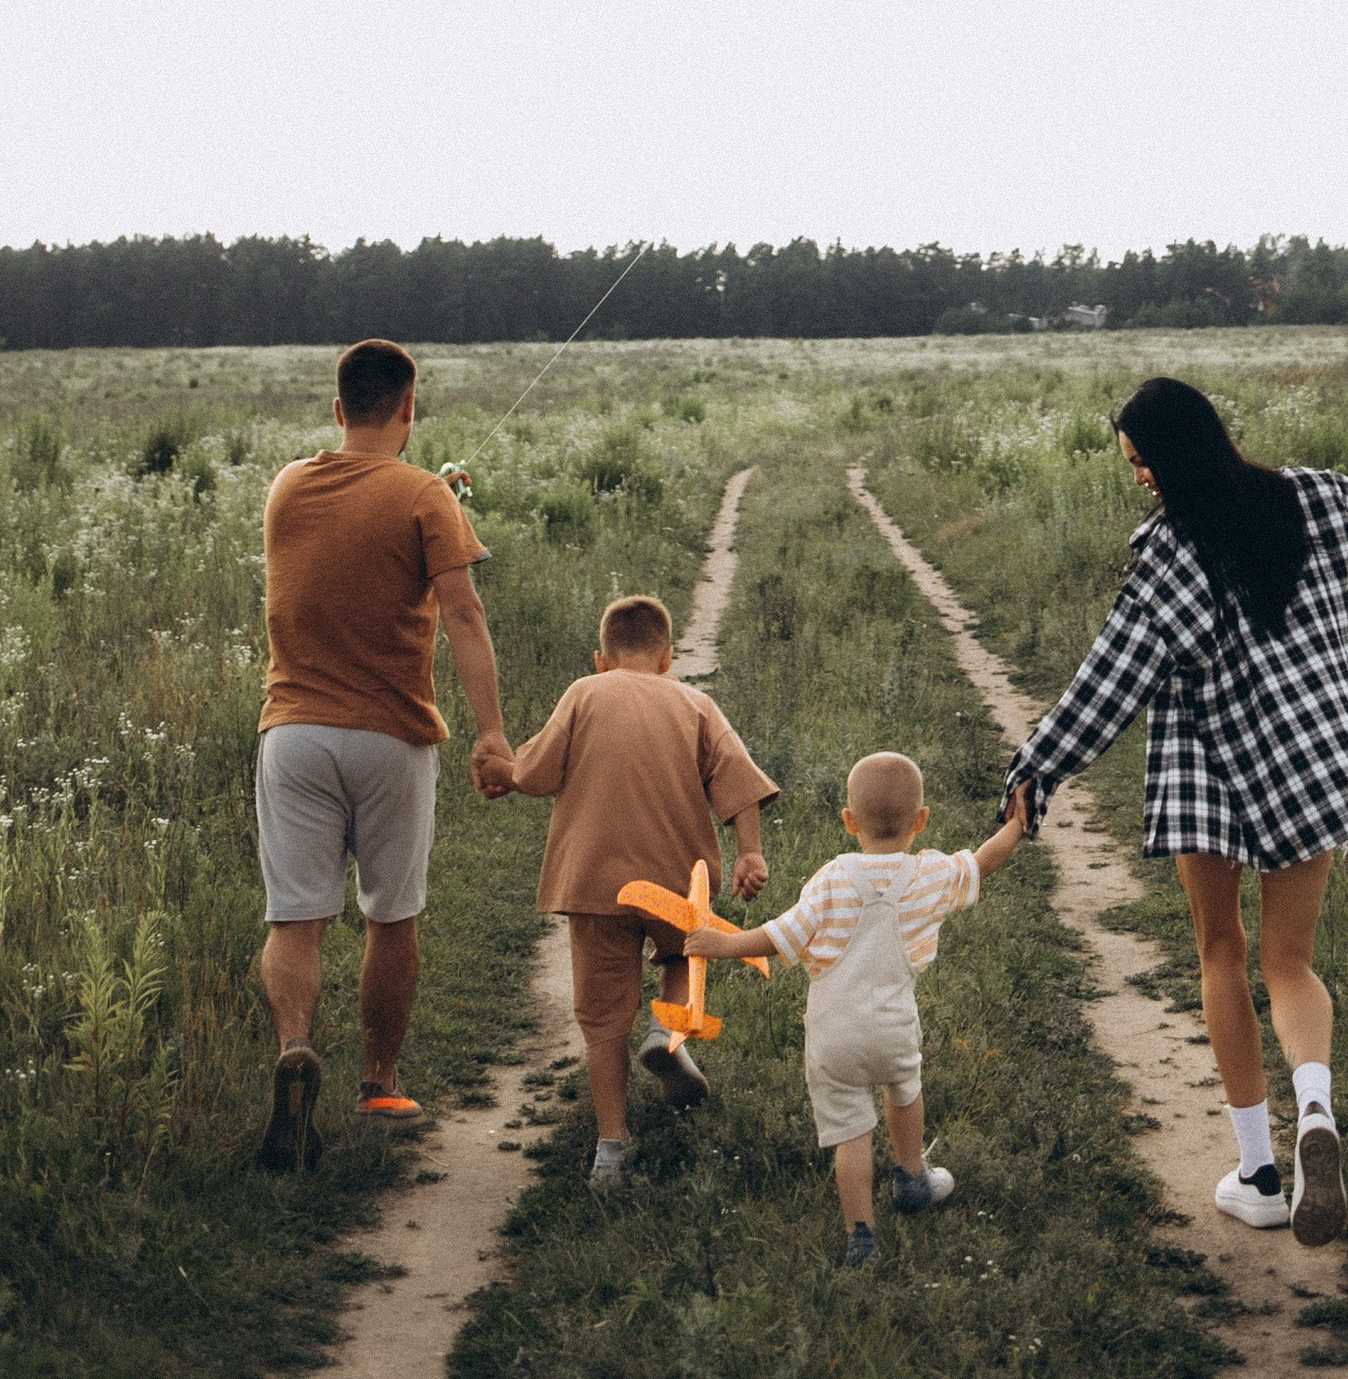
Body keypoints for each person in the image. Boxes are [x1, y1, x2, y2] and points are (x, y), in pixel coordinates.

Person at [1000, 374, 1348, 1248]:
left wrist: (1036, 770)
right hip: (1308, 769)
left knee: (1219, 952)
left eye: (1143, 464)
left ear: (1173, 458)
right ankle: (1315, 1109)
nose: (1140, 478)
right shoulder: (1311, 498)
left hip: (1207, 775)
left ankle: (1259, 1173)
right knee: (1289, 962)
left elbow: (1104, 687)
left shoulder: (1166, 561)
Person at [253, 336, 516, 1168]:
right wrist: (492, 732)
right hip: (390, 737)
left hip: (291, 733)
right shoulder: (427, 494)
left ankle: (295, 1045)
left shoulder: (286, 486)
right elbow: (465, 617)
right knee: (390, 915)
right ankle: (380, 1082)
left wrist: (429, 492)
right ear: (409, 407)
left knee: (296, 918)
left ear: (337, 409)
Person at [691, 751, 1030, 1272]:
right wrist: (1015, 823)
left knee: (850, 1132)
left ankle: (861, 1234)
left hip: (834, 1037)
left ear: (848, 822)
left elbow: (779, 935)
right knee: (905, 1088)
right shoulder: (931, 874)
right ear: (921, 821)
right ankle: (911, 1176)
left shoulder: (830, 880)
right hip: (894, 1028)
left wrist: (722, 943)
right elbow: (982, 860)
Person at [503, 590, 781, 1191]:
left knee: (602, 1015)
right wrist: (750, 852)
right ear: (667, 659)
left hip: (594, 881)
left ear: (600, 659)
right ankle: (666, 1031)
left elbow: (535, 773)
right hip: (676, 880)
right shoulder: (695, 702)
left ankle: (611, 1148)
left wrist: (504, 767)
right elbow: (736, 776)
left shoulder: (583, 694)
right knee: (685, 952)